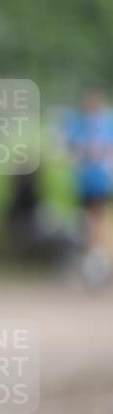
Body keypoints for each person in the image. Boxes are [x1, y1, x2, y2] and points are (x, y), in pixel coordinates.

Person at [62, 88, 113, 287]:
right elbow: (70, 149)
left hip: (100, 181)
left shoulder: (106, 123)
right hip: (84, 182)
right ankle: (93, 256)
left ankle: (97, 257)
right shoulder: (78, 124)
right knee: (88, 221)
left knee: (97, 218)